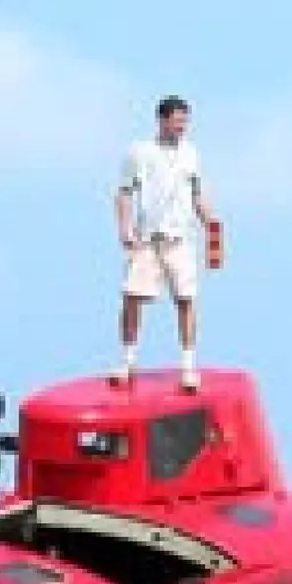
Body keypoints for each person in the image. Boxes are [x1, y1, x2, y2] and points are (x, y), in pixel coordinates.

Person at [113, 95, 215, 392]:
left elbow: (197, 193)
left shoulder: (192, 154)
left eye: (186, 120)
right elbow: (123, 193)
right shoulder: (139, 152)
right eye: (178, 120)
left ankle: (188, 365)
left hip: (180, 238)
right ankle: (128, 360)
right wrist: (125, 229)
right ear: (163, 119)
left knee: (186, 299)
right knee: (132, 296)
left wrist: (211, 222)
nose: (182, 126)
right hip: (148, 238)